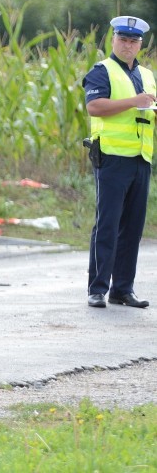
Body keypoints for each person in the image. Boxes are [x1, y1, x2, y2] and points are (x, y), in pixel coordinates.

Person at [82, 16, 154, 309]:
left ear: (140, 45)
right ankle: (97, 288)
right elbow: (94, 107)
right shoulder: (102, 71)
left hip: (141, 158)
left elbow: (144, 110)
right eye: (123, 39)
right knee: (108, 224)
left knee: (133, 228)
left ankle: (123, 289)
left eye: (133, 41)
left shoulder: (147, 74)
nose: (128, 45)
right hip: (112, 158)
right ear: (113, 40)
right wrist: (134, 102)